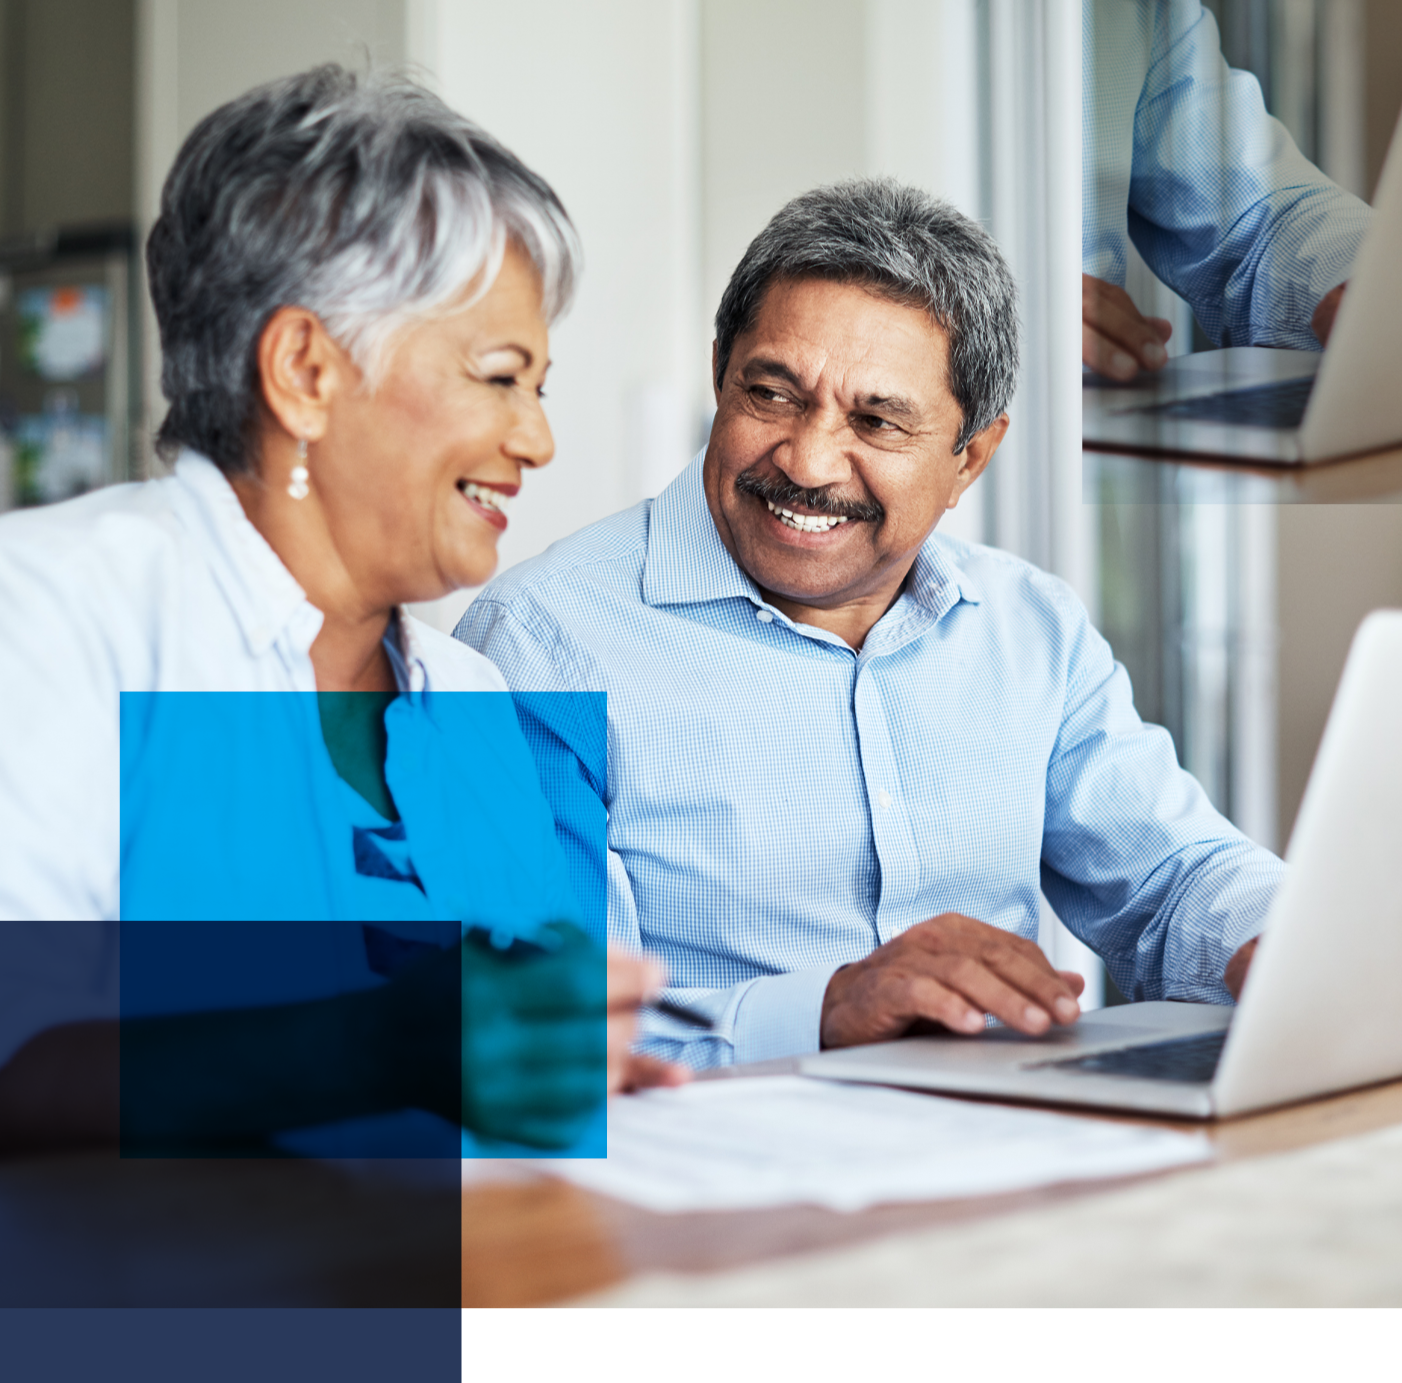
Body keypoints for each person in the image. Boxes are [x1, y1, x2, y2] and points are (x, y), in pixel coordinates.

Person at [0, 66, 681, 1156]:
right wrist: (377, 1047)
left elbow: (495, 1067)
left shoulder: (469, 694)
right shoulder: (49, 613)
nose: (536, 441)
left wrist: (554, 1061)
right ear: (308, 371)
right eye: (500, 377)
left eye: (539, 388)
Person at [461, 179, 1282, 1070]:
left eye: (877, 420)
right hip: (722, 1179)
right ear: (719, 376)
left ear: (972, 455)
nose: (809, 460)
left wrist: (1289, 942)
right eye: (771, 394)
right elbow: (542, 1025)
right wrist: (826, 1008)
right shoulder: (538, 642)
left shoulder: (1030, 628)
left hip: (1012, 1150)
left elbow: (1171, 879)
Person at [1082, 0, 1374, 379]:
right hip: (997, 413)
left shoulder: (1134, 11)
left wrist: (1360, 282)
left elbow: (1258, 216)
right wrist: (992, 309)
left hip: (1095, 419)